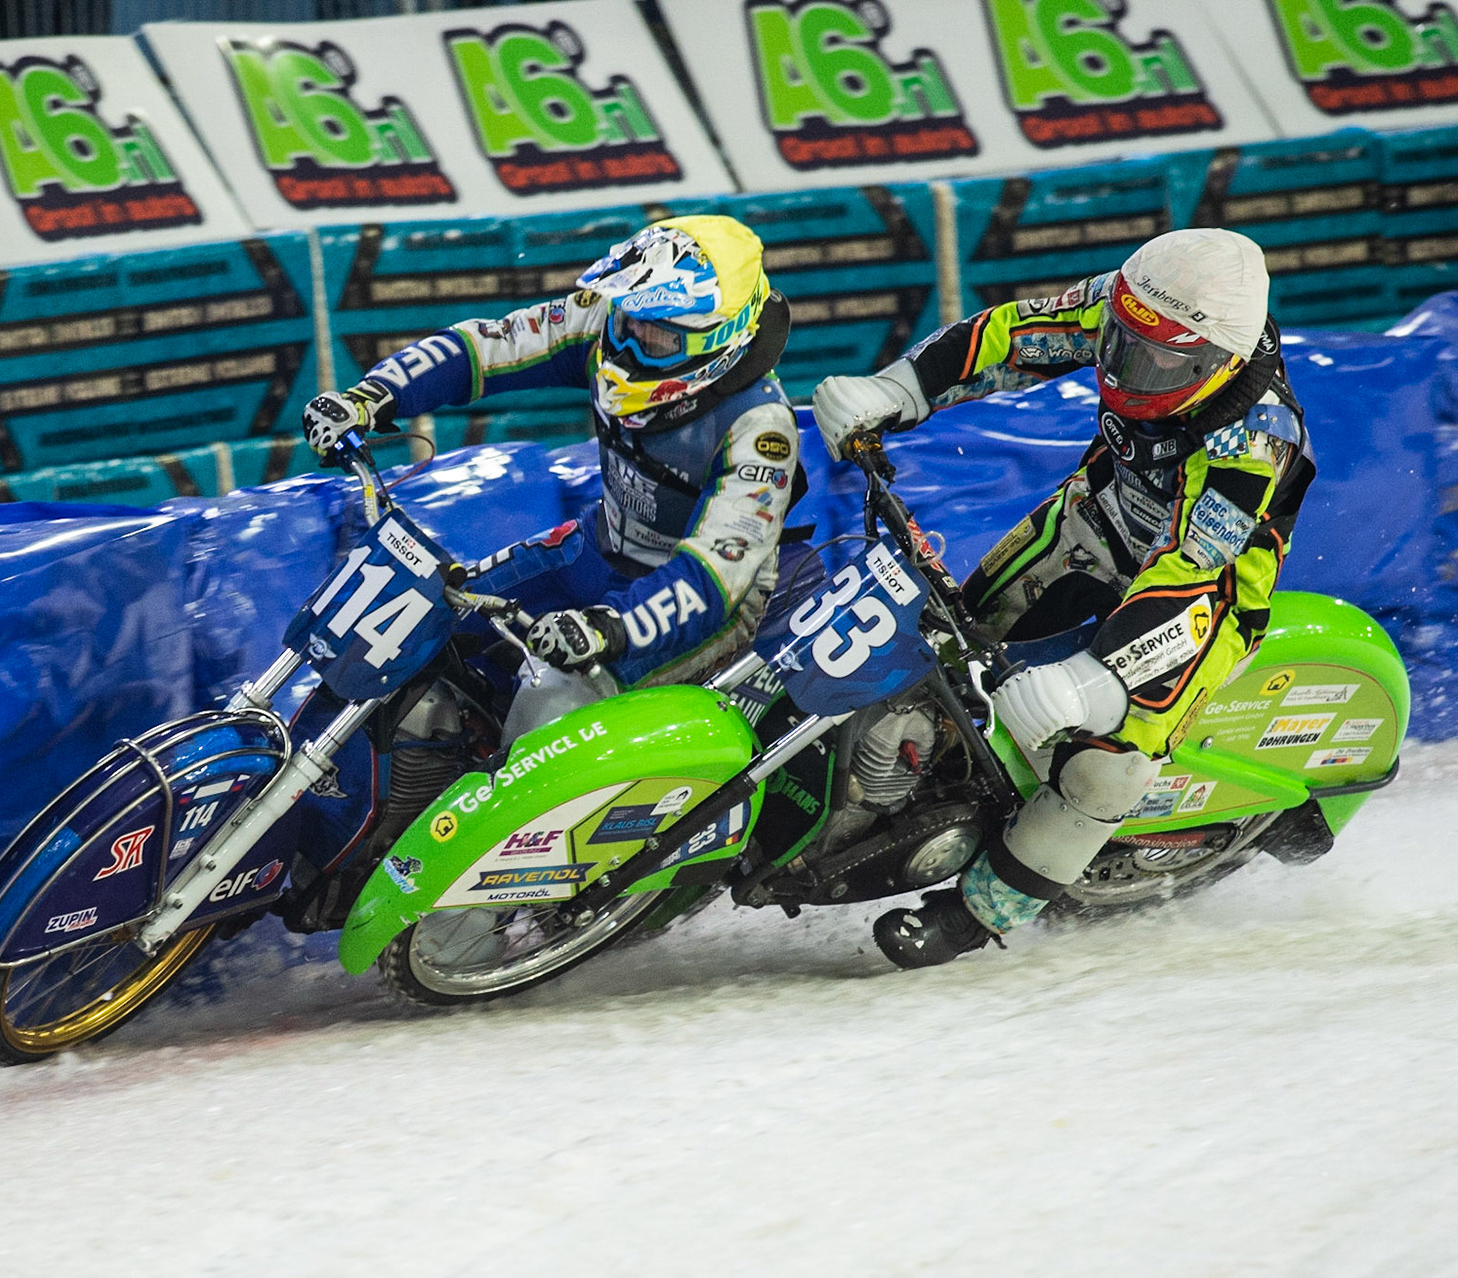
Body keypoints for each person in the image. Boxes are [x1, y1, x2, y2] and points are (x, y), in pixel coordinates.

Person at [811, 227, 1314, 969]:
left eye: (1158, 362)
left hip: (1205, 597)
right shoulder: (1134, 307)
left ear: (1219, 362)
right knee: (947, 639)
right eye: (1118, 343)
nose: (1126, 368)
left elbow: (1188, 576)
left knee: (1109, 762)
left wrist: (1093, 679)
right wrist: (897, 390)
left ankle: (981, 912)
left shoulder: (1254, 440)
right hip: (1096, 516)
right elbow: (1013, 337)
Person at [302, 214, 801, 690]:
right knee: (432, 620)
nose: (631, 346)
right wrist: (372, 396)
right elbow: (489, 346)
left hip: (701, 611)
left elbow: (715, 578)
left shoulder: (760, 428)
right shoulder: (602, 320)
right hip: (595, 545)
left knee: (550, 701)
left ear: (720, 341)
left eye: (661, 336)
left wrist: (612, 629)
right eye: (631, 321)